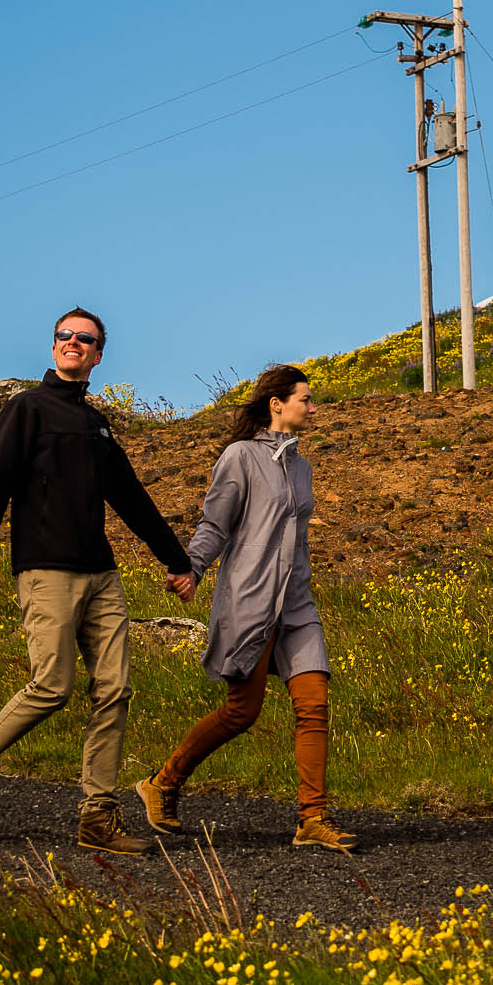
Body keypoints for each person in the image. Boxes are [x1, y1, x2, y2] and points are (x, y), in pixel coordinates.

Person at [0, 306, 196, 854]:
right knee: (52, 686)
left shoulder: (96, 424)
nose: (73, 342)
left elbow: (131, 498)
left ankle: (97, 818)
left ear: (98, 356)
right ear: (54, 347)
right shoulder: (26, 408)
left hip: (101, 574)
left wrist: (176, 561)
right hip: (46, 569)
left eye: (85, 338)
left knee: (115, 690)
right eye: (65, 335)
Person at [137, 364, 354, 853]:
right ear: (277, 404)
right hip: (250, 600)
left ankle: (312, 818)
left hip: (296, 602)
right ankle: (163, 782)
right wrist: (192, 568)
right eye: (305, 399)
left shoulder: (302, 467)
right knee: (242, 712)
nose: (313, 407)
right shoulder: (240, 457)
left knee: (314, 705)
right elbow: (215, 524)